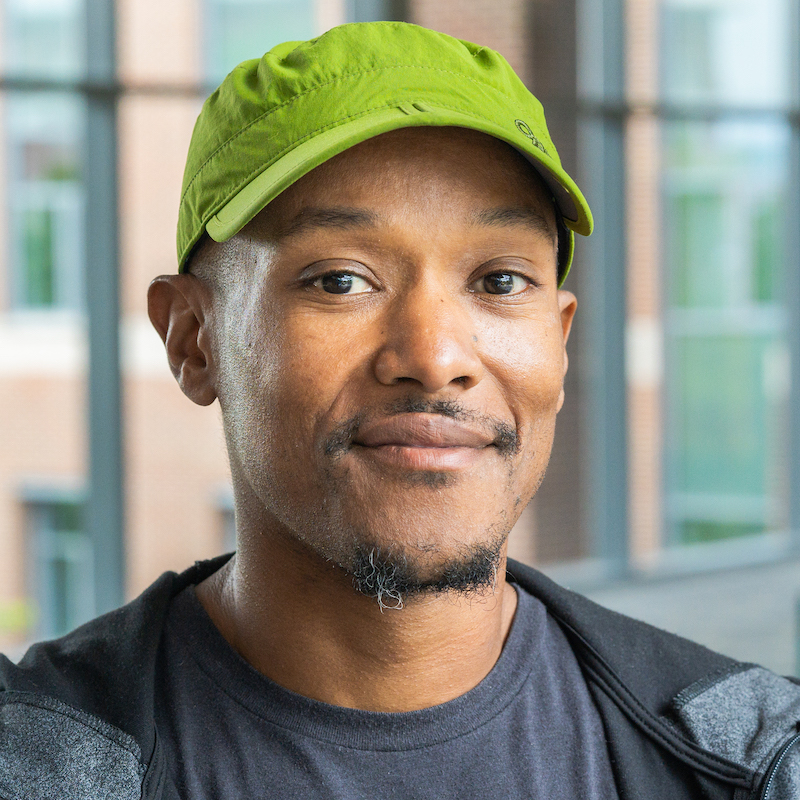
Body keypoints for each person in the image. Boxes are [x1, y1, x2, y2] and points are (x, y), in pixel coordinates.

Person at [1, 21, 798, 800]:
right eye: (340, 280)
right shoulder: (34, 763)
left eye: (499, 281)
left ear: (557, 346)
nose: (435, 357)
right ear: (193, 340)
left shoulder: (749, 763)